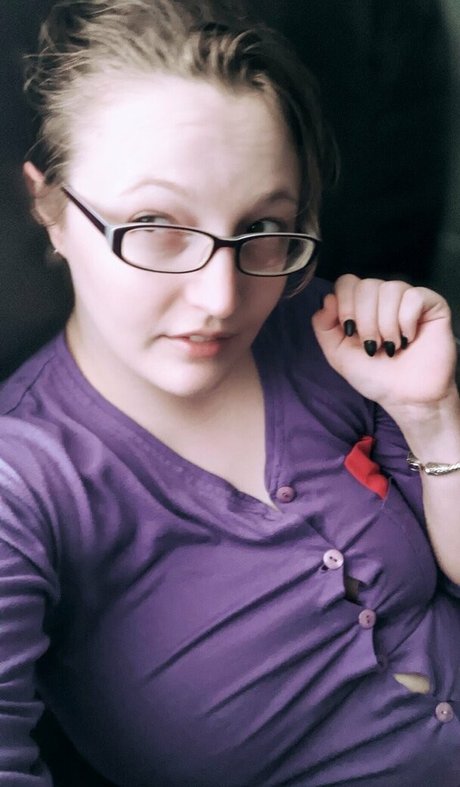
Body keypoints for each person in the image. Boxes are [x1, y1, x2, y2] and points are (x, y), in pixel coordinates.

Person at [0, 1, 459, 784]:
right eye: (156, 225)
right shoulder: (24, 484)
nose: (221, 297)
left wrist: (432, 417)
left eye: (262, 229)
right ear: (51, 208)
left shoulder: (328, 339)